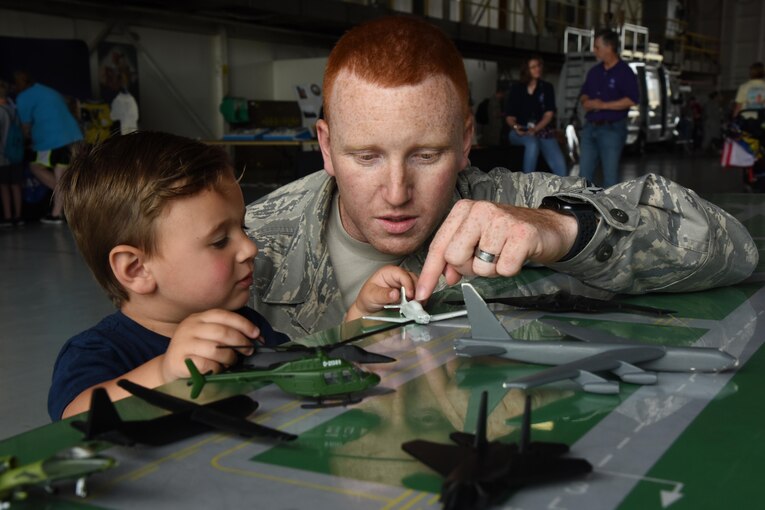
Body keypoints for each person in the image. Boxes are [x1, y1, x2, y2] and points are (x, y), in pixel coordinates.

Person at [244, 15, 758, 340]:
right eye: (367, 157)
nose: (397, 193)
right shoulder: (251, 241)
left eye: (426, 156)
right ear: (327, 147)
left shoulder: (512, 202)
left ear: (466, 139)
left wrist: (561, 232)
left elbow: (733, 250)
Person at [48, 131, 416, 420]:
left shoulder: (248, 328)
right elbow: (74, 419)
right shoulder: (98, 351)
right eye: (221, 240)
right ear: (136, 269)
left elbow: (306, 365)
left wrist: (357, 321)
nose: (249, 248)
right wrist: (165, 372)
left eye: (242, 228)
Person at [13, 70, 83, 224]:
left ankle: (68, 202)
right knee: (61, 173)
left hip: (51, 141)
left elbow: (25, 127)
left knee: (36, 166)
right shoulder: (46, 90)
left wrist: (25, 139)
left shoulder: (23, 97)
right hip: (73, 137)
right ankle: (57, 213)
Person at [578, 29, 640, 188]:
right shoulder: (594, 72)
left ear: (609, 47)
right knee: (583, 177)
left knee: (610, 178)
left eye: (597, 47)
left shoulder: (624, 72)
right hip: (590, 128)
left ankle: (606, 211)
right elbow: (584, 93)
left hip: (612, 129)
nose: (594, 50)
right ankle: (583, 210)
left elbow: (632, 99)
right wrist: (586, 101)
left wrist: (602, 105)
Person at [505, 56, 567, 176]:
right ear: (526, 70)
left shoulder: (547, 87)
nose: (537, 69)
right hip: (520, 131)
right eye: (533, 67)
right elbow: (509, 117)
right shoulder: (516, 89)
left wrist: (536, 129)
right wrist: (517, 127)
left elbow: (549, 114)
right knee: (532, 143)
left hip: (542, 131)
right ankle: (527, 183)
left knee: (561, 167)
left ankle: (564, 190)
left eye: (539, 66)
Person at [0, 79, 24, 227]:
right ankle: (18, 216)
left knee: (4, 186)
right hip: (16, 152)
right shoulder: (13, 108)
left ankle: (8, 217)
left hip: (2, 155)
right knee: (16, 185)